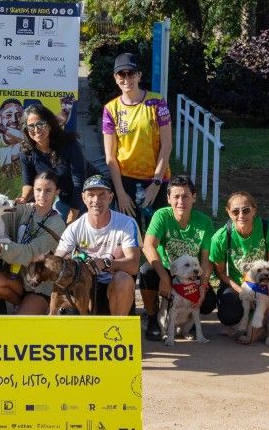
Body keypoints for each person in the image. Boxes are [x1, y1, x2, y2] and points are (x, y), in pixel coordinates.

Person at [204, 190, 269, 341]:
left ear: (254, 210)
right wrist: (243, 291)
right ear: (228, 212)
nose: (241, 215)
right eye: (235, 211)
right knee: (228, 315)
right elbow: (220, 273)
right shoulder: (220, 237)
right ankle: (252, 324)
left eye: (246, 210)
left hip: (265, 278)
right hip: (238, 283)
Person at [138, 176, 217, 341]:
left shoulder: (204, 222)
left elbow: (206, 259)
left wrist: (202, 286)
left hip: (191, 272)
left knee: (209, 301)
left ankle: (186, 318)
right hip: (168, 269)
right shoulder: (161, 215)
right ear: (168, 198)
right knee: (146, 271)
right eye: (176, 196)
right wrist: (164, 277)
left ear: (194, 198)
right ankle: (152, 318)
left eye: (186, 196)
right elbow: (148, 246)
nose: (181, 201)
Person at [53, 174, 141, 316]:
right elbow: (57, 261)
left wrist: (105, 263)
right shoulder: (74, 227)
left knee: (123, 279)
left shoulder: (127, 223)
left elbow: (133, 265)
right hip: (84, 288)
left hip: (114, 290)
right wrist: (71, 264)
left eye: (102, 195)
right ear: (83, 198)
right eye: (91, 195)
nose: (96, 200)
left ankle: (117, 333)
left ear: (110, 197)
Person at [0, 174, 69, 313]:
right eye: (38, 189)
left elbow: (30, 253)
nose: (42, 195)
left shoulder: (57, 224)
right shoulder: (24, 209)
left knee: (19, 327)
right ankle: (21, 305)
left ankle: (41, 308)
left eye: (48, 190)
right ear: (33, 189)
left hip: (41, 286)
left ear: (57, 192)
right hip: (18, 280)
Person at [101, 52, 171, 225]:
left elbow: (167, 145)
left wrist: (156, 183)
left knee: (157, 236)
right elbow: (110, 157)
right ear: (115, 77)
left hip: (156, 178)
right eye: (121, 74)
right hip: (125, 181)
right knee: (130, 238)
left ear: (139, 75)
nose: (126, 79)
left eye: (131, 73)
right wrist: (120, 193)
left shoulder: (157, 102)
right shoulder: (110, 109)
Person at [18, 102, 87, 215]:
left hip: (85, 195)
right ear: (26, 129)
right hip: (62, 197)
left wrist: (73, 214)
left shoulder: (70, 144)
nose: (36, 129)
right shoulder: (26, 152)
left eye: (41, 124)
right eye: (31, 126)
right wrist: (24, 198)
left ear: (49, 125)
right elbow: (29, 183)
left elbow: (79, 182)